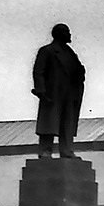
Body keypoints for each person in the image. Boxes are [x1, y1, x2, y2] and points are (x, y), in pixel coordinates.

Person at [32, 23, 85, 159]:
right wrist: (41, 90)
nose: (70, 35)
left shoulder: (70, 53)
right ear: (59, 34)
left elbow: (77, 70)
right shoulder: (47, 51)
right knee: (49, 124)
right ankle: (45, 150)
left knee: (67, 123)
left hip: (69, 95)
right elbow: (39, 72)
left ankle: (66, 150)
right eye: (67, 32)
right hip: (53, 93)